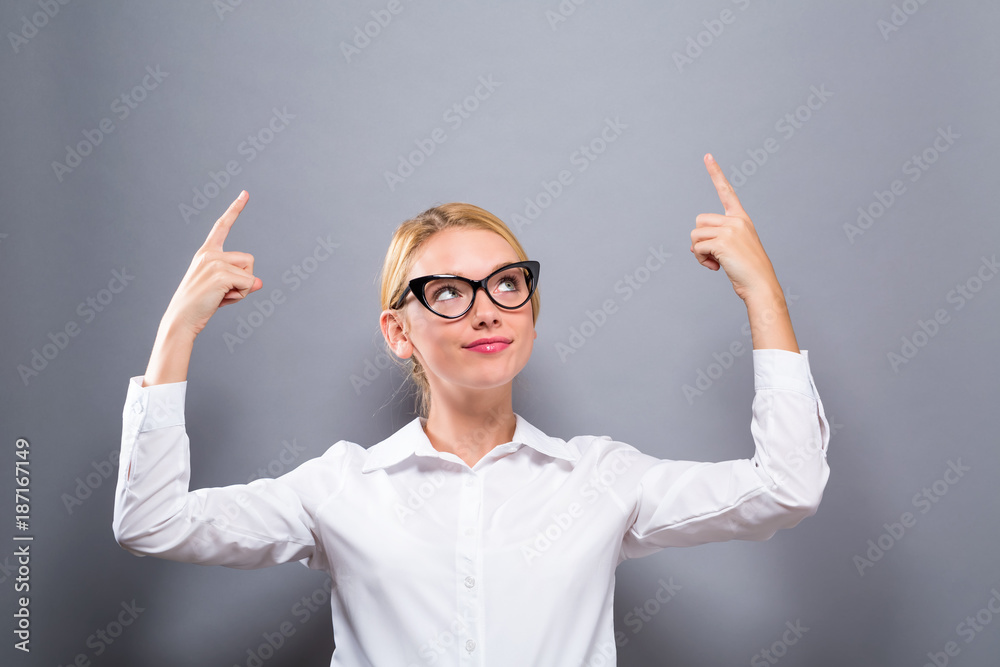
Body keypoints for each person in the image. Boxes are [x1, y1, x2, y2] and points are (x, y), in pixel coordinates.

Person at [113, 154, 830, 666]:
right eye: (449, 292)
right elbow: (151, 522)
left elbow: (787, 488)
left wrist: (761, 293)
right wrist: (179, 325)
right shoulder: (339, 489)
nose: (486, 308)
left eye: (506, 284)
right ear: (400, 333)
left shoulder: (602, 478)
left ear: (531, 316)